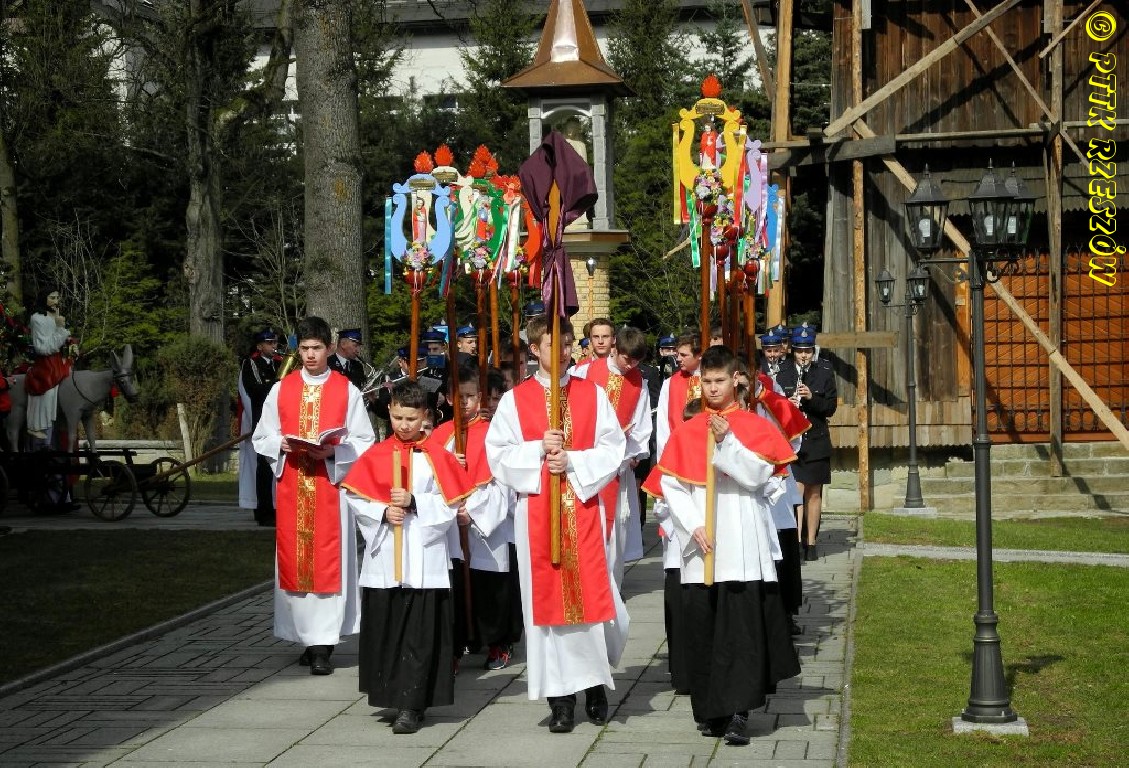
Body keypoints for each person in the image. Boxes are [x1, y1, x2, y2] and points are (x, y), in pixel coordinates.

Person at [485, 314, 628, 733]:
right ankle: (560, 699)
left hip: (582, 509)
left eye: (566, 343)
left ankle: (595, 686)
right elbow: (498, 456)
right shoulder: (515, 400)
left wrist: (574, 461)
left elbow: (613, 447)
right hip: (537, 512)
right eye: (552, 344)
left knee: (590, 603)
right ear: (534, 349)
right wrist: (536, 449)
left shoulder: (592, 394)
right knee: (545, 610)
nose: (561, 352)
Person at [650, 345, 800, 744]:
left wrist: (728, 442)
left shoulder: (753, 426)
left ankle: (739, 712)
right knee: (703, 631)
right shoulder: (687, 430)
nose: (712, 388)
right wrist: (693, 524)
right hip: (702, 544)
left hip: (741, 540)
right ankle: (711, 710)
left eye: (719, 381)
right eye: (706, 381)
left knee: (740, 632)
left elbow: (758, 477)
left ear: (735, 380)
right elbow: (671, 485)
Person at [341, 379, 472, 734]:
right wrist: (382, 512)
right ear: (389, 411)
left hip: (423, 558)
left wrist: (415, 502)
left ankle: (413, 703)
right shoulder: (376, 455)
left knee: (419, 633)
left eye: (411, 419)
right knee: (388, 628)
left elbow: (451, 504)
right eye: (398, 417)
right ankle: (392, 693)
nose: (403, 425)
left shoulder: (438, 457)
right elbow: (356, 498)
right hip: (386, 558)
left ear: (426, 415)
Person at [252, 316, 376, 676]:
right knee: (295, 563)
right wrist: (281, 443)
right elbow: (262, 435)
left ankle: (323, 644)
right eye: (304, 348)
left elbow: (365, 440)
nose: (310, 355)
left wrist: (334, 451)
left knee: (327, 563)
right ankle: (307, 639)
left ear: (329, 348)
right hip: (293, 484)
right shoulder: (282, 388)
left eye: (317, 348)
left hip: (330, 490)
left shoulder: (346, 390)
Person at [432, 362, 522, 671]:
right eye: (459, 397)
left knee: (490, 587)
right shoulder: (441, 435)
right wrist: (447, 464)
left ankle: (498, 642)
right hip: (450, 523)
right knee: (456, 587)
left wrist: (473, 512)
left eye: (471, 397)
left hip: (485, 523)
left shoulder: (492, 433)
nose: (465, 403)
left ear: (480, 397)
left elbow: (501, 482)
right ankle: (456, 646)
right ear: (448, 398)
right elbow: (427, 477)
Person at [571, 325, 652, 586]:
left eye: (636, 362)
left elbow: (641, 425)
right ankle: (586, 582)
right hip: (586, 460)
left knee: (616, 526)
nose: (630, 366)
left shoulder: (639, 382)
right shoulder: (584, 372)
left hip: (618, 466)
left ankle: (612, 586)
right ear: (616, 348)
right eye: (627, 359)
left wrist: (632, 451)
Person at [787, 325, 837, 561]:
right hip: (793, 441)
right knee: (796, 491)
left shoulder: (824, 370)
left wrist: (811, 398)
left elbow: (830, 407)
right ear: (793, 351)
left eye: (807, 351)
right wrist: (788, 404)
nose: (803, 355)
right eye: (799, 351)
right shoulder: (784, 372)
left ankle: (811, 543)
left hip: (816, 439)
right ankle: (796, 542)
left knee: (814, 492)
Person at [238, 329, 282, 526]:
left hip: (280, 420)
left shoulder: (279, 363)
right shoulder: (251, 364)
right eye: (269, 343)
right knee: (264, 466)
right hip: (262, 420)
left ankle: (278, 507)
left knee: (279, 466)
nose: (274, 346)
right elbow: (254, 390)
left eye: (275, 342)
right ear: (259, 346)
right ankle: (263, 511)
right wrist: (277, 384)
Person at [25, 289, 72, 444]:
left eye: (57, 297)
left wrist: (69, 342)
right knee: (48, 392)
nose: (56, 301)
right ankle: (38, 427)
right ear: (44, 299)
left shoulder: (55, 316)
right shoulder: (37, 318)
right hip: (46, 363)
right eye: (52, 297)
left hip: (58, 361)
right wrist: (60, 329)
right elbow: (43, 348)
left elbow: (61, 340)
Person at [654, 332, 702, 459]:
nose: (678, 359)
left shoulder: (714, 380)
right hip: (678, 452)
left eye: (684, 355)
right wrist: (663, 457)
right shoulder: (670, 383)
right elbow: (663, 424)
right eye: (678, 354)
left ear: (700, 355)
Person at [328, 328, 368, 393]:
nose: (358, 350)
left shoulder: (358, 366)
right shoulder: (327, 364)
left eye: (359, 347)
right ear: (343, 344)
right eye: (355, 346)